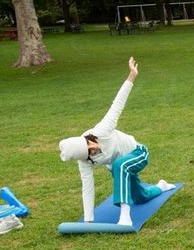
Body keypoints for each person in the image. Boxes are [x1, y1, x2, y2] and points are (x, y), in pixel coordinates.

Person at [58, 57, 174, 226]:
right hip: (120, 169)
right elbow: (88, 188)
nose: (94, 146)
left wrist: (132, 76)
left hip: (138, 154)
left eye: (89, 142)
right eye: (90, 151)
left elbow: (118, 104)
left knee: (119, 165)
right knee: (141, 197)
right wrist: (88, 220)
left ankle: (125, 217)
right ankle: (161, 186)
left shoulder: (101, 130)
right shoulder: (83, 162)